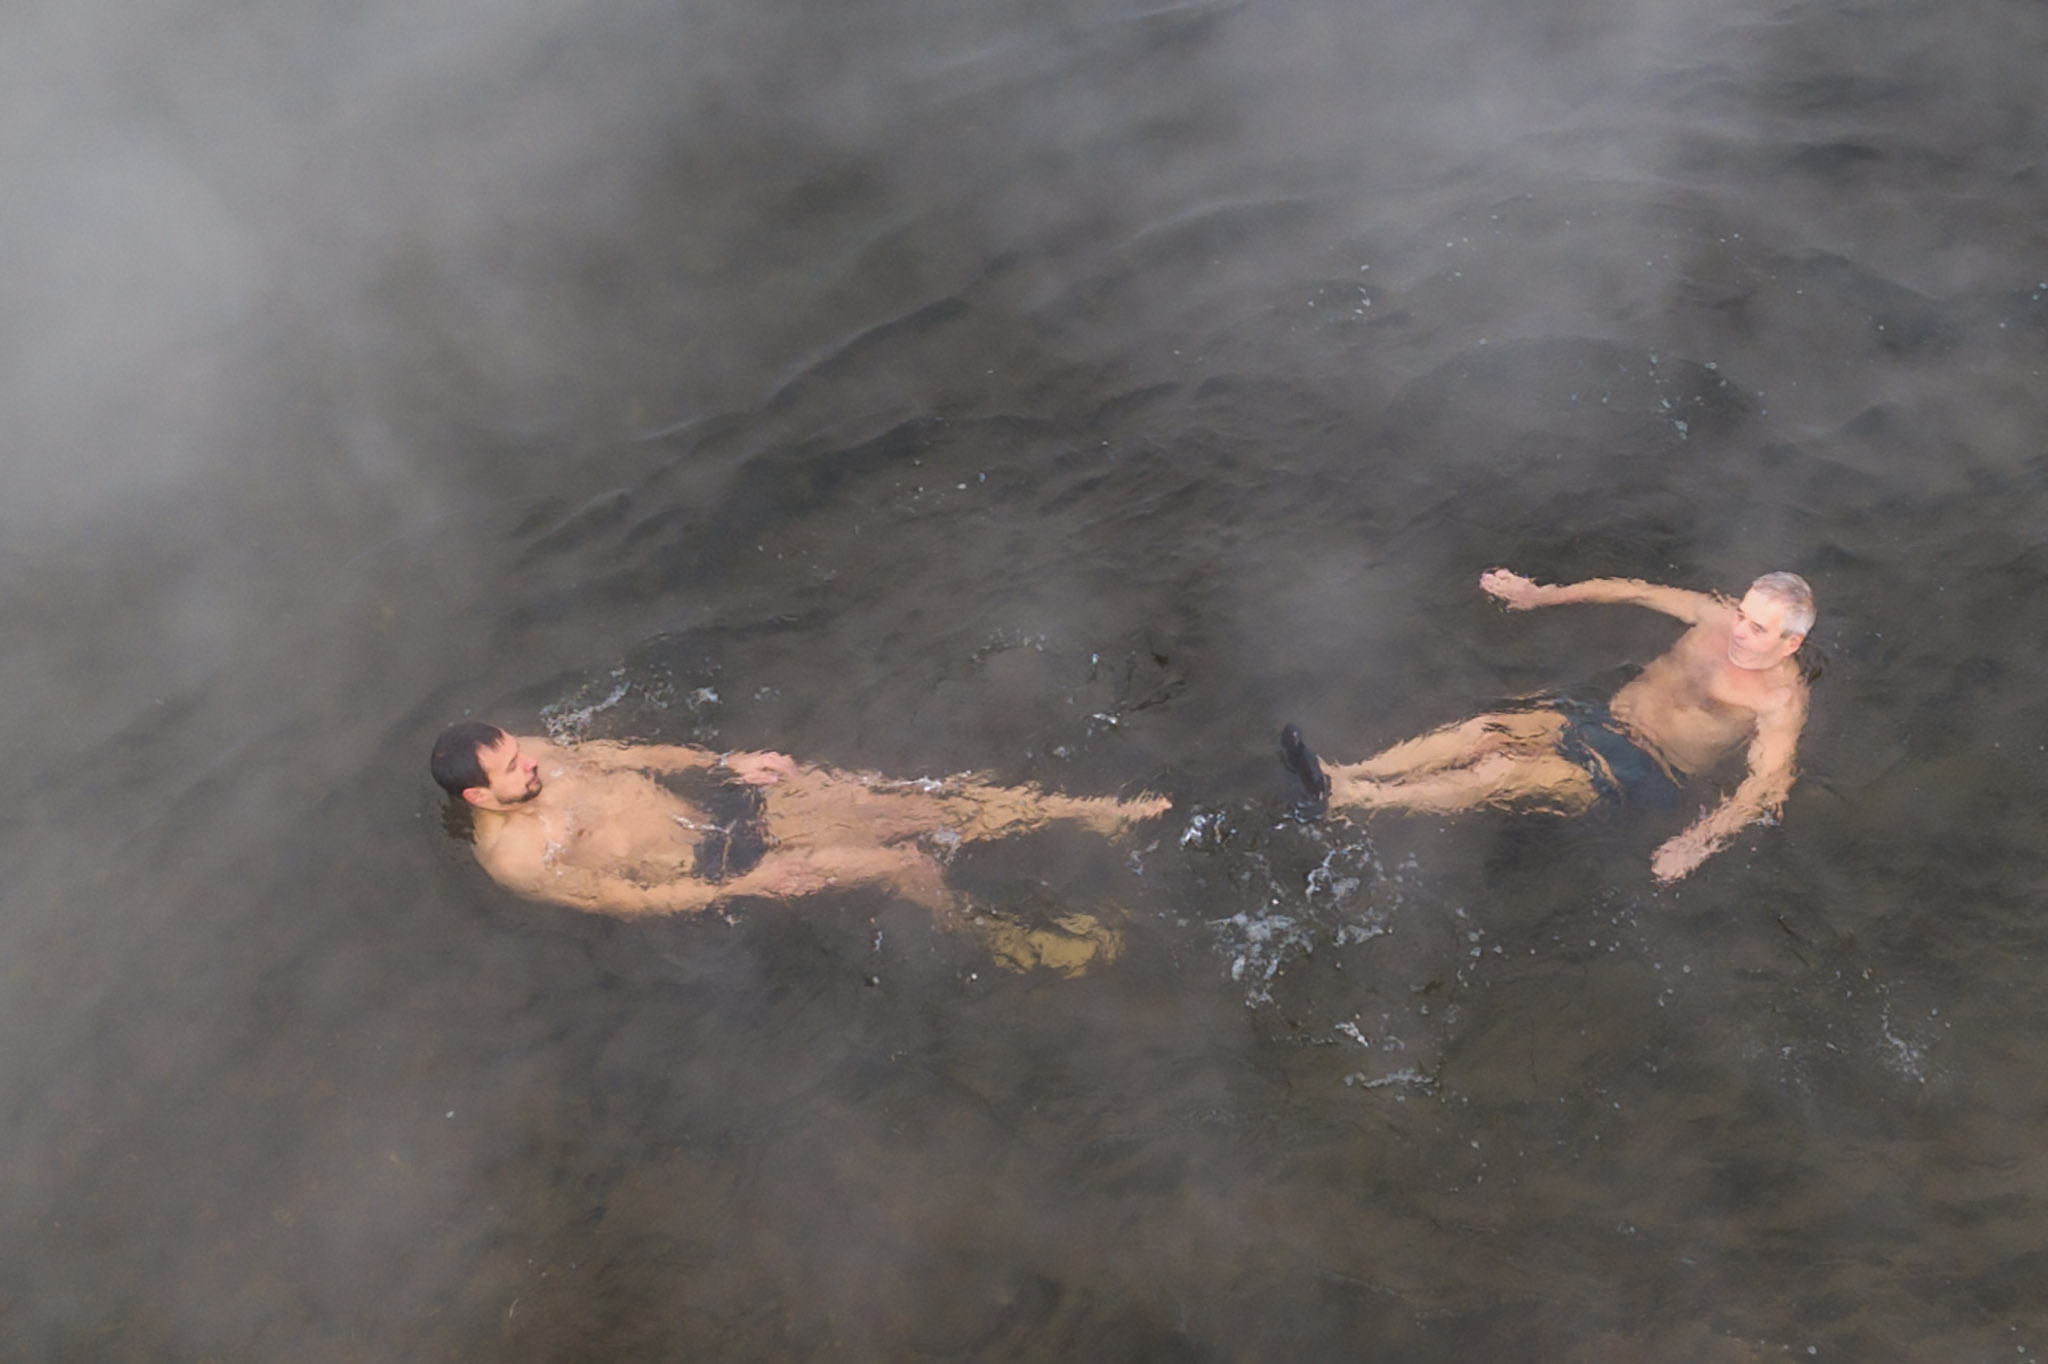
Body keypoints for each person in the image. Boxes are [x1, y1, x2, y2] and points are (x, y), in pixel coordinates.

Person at [1280, 568, 1814, 882]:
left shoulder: (1780, 700)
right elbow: (1634, 591)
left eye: (1757, 628)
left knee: (1501, 772)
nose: (1738, 630)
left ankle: (1348, 800)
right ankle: (1342, 771)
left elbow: (1767, 783)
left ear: (1791, 643)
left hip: (1643, 774)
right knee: (1486, 731)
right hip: (1603, 721)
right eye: (1741, 613)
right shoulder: (1715, 616)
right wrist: (1541, 596)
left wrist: (1699, 843)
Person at [428, 723, 1171, 930]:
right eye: (514, 769)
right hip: (721, 871)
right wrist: (747, 888)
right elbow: (625, 901)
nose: (533, 762)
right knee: (906, 862)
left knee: (923, 806)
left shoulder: (536, 750)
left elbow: (631, 754)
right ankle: (984, 929)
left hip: (724, 814)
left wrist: (728, 762)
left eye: (523, 752)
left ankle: (1095, 816)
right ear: (478, 797)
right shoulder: (515, 859)